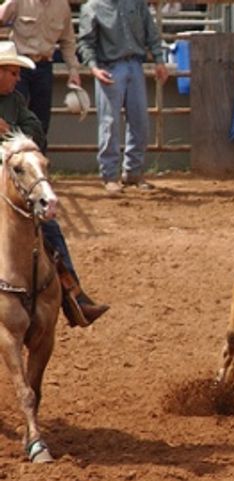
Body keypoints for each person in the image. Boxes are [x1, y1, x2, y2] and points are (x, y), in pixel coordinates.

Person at [0, 42, 109, 327]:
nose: (18, 79)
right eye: (12, 72)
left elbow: (36, 129)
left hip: (15, 183)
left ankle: (74, 296)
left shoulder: (15, 102)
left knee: (50, 227)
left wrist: (11, 133)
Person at [77, 0, 169, 194]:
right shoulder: (93, 7)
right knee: (109, 123)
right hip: (109, 66)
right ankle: (110, 175)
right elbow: (85, 42)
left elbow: (151, 31)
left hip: (133, 64)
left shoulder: (136, 3)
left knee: (139, 121)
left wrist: (159, 60)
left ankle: (132, 172)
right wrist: (94, 68)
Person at [0, 0, 82, 154]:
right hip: (18, 63)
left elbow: (68, 40)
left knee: (40, 119)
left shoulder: (62, 6)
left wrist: (73, 70)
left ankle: (37, 163)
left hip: (43, 65)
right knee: (11, 110)